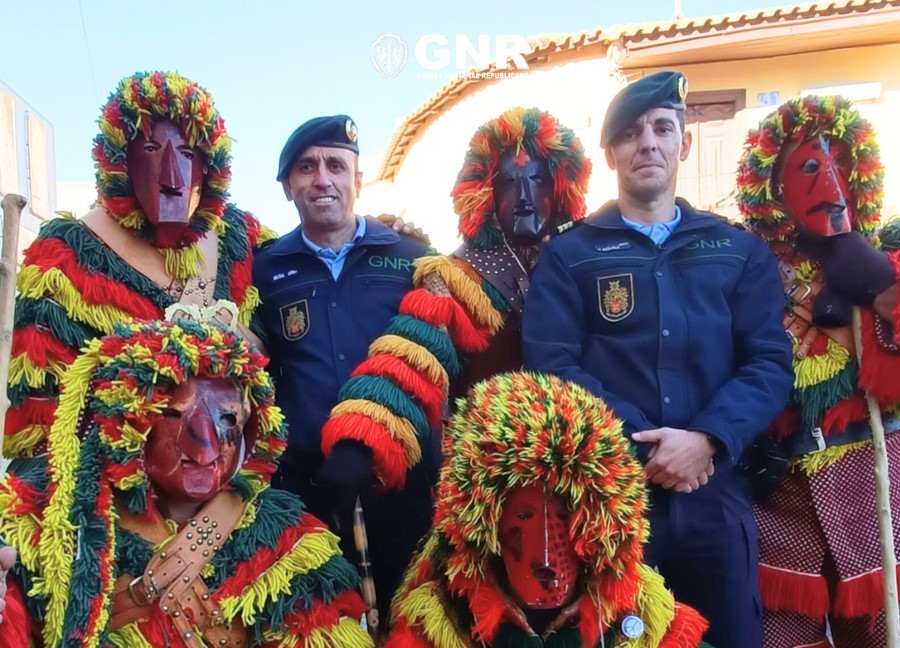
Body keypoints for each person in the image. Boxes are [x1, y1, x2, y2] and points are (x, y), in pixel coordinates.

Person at [522, 71, 794, 648]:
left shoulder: (737, 250)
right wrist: (643, 439)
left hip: (715, 495)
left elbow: (769, 361)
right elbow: (551, 364)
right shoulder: (569, 255)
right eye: (631, 133)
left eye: (662, 128)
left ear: (683, 144)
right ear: (612, 153)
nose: (647, 142)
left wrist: (708, 440)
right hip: (612, 501)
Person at [0, 319, 371, 647]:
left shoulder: (287, 539)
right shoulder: (52, 520)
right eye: (174, 415)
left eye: (226, 419)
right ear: (131, 421)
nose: (204, 449)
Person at [321, 106, 591, 490]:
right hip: (492, 476)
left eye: (537, 180)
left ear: (561, 187)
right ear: (485, 194)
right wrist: (362, 440)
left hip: (586, 469)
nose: (526, 196)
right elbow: (414, 356)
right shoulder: (460, 276)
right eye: (511, 183)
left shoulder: (591, 259)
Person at [252, 115, 432, 625]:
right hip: (308, 493)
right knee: (326, 623)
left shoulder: (412, 259)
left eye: (336, 165)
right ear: (288, 187)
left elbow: (435, 363)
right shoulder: (261, 272)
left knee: (411, 620)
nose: (322, 179)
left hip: (403, 485)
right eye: (306, 168)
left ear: (358, 178)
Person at [736, 95, 900, 647]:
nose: (830, 180)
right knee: (781, 630)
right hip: (778, 492)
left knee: (884, 623)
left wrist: (881, 288)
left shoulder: (888, 260)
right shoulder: (749, 271)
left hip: (874, 480)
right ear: (773, 189)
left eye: (838, 165)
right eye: (808, 166)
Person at [385, 372, 712, 647]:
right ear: (484, 525)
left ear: (601, 521)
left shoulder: (645, 618)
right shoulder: (439, 619)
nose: (545, 550)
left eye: (563, 515)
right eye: (523, 516)